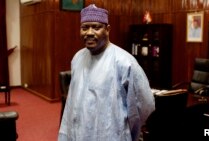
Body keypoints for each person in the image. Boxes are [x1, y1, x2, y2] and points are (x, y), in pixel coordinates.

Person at [58, 4, 155, 141]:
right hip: (78, 133)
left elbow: (144, 106)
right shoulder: (77, 58)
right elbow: (72, 103)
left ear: (108, 29)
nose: (89, 32)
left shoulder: (124, 62)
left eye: (96, 27)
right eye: (84, 27)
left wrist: (127, 131)